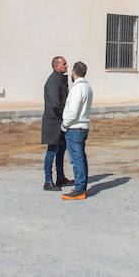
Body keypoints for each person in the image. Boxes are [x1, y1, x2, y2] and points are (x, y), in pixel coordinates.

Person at [60, 61, 93, 200]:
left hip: (75, 127)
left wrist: (64, 125)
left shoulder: (77, 88)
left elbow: (73, 111)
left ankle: (79, 189)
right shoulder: (87, 87)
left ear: (74, 72)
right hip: (83, 126)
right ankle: (82, 186)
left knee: (76, 159)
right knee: (81, 157)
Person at [42, 56, 72, 191]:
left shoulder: (60, 79)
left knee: (61, 150)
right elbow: (56, 103)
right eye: (64, 64)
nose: (67, 66)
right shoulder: (54, 81)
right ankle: (48, 181)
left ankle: (60, 177)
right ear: (56, 66)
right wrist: (66, 115)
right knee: (52, 151)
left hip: (60, 121)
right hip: (53, 121)